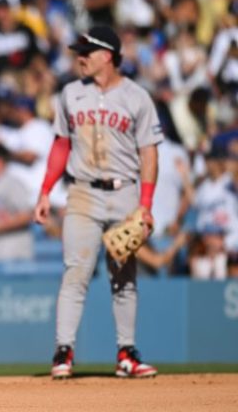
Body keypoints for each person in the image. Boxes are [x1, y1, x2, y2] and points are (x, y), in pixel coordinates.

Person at [34, 25, 162, 379]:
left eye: (87, 52)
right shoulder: (71, 93)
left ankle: (126, 352)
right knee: (76, 271)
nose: (80, 57)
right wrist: (46, 190)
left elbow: (149, 154)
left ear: (107, 56)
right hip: (83, 192)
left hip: (125, 192)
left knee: (124, 277)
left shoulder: (137, 97)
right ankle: (64, 351)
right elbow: (61, 145)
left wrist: (146, 205)